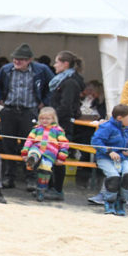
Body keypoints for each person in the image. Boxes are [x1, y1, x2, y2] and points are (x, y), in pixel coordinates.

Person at [0, 43, 53, 189]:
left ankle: (30, 178)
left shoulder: (41, 70)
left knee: (32, 144)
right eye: (15, 59)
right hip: (9, 110)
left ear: (30, 60)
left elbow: (52, 86)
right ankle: (9, 177)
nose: (16, 61)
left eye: (20, 59)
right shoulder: (6, 69)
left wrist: (44, 102)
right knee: (8, 144)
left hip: (29, 111)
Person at [45, 50, 85, 200]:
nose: (54, 65)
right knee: (49, 154)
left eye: (57, 62)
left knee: (58, 158)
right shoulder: (63, 80)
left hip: (61, 125)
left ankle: (57, 189)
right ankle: (48, 186)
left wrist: (52, 118)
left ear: (65, 64)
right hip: (55, 123)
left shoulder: (70, 82)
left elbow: (66, 106)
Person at [90, 104, 128, 216]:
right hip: (105, 158)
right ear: (120, 118)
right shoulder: (106, 127)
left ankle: (122, 202)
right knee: (114, 177)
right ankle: (109, 202)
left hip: (123, 159)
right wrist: (109, 151)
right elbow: (96, 142)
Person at [21, 106, 70, 203]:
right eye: (42, 118)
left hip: (50, 152)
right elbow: (29, 141)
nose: (45, 121)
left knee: (45, 170)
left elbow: (64, 144)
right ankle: (32, 160)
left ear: (53, 119)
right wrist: (25, 151)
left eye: (47, 119)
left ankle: (41, 190)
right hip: (37, 148)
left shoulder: (58, 130)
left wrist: (62, 156)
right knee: (34, 151)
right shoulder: (36, 129)